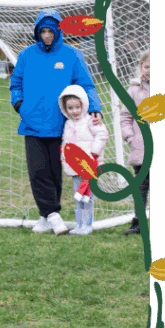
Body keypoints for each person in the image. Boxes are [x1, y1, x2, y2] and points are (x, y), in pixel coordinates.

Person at [10, 9, 102, 235]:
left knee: (55, 172)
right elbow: (16, 84)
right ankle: (52, 214)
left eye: (51, 31)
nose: (47, 35)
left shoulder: (72, 55)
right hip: (32, 123)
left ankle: (46, 216)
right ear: (37, 32)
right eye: (43, 31)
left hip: (63, 125)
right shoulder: (26, 55)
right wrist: (19, 105)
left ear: (59, 31)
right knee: (38, 171)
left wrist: (95, 107)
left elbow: (86, 84)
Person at [58, 86, 108, 236]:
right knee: (77, 196)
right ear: (65, 108)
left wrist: (94, 152)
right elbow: (66, 144)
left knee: (87, 197)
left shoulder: (91, 121)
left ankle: (88, 224)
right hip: (74, 167)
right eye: (70, 108)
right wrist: (64, 159)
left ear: (83, 105)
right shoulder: (68, 124)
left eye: (77, 107)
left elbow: (103, 135)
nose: (74, 111)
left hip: (89, 166)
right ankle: (79, 224)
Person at [119, 49, 151, 235]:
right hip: (141, 149)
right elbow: (125, 117)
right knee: (141, 188)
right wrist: (130, 137)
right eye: (147, 66)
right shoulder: (133, 90)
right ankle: (138, 223)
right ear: (141, 67)